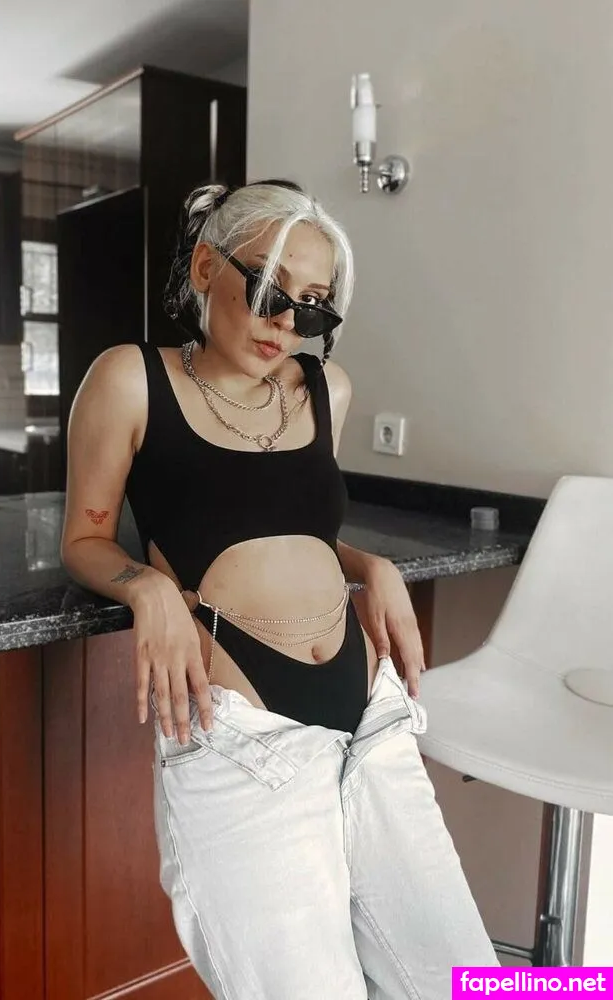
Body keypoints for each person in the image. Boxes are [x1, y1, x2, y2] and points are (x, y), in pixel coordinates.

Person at [60, 179, 499, 999]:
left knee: (468, 982)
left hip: (371, 724)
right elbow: (85, 538)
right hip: (245, 738)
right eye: (269, 290)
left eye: (315, 307)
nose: (288, 323)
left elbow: (292, 527)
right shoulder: (130, 380)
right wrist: (147, 589)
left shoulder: (326, 389)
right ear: (205, 267)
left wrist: (371, 565)